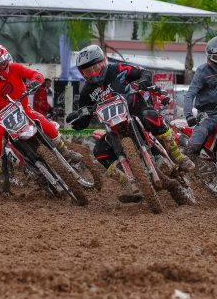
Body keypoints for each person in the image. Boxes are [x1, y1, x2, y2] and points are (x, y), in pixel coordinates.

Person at [65, 44, 193, 203]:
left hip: (135, 111)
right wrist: (78, 121)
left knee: (150, 116)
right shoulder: (86, 92)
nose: (92, 73)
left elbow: (143, 72)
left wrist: (144, 80)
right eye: (87, 71)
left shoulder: (117, 69)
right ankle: (126, 182)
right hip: (113, 127)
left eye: (95, 68)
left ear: (103, 62)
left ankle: (177, 155)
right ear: (82, 73)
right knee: (99, 151)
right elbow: (84, 115)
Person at [0, 42, 82, 195]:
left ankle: (65, 151)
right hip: (3, 119)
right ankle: (0, 179)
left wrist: (35, 81)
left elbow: (36, 75)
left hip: (24, 109)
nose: (3, 65)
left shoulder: (15, 68)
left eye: (4, 60)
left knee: (46, 123)